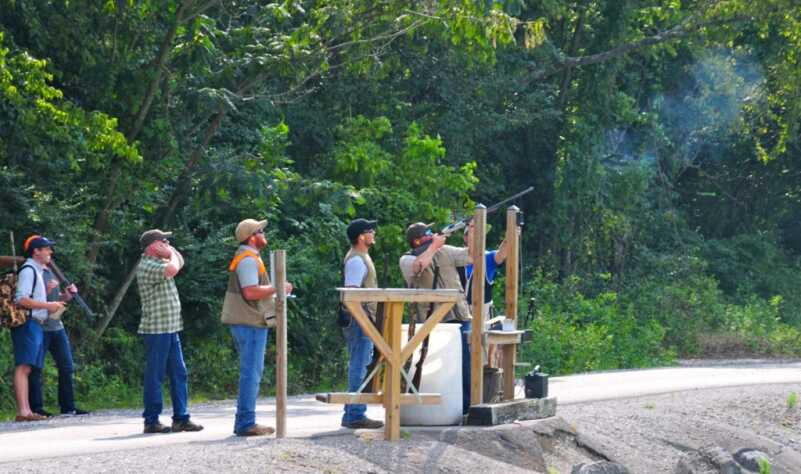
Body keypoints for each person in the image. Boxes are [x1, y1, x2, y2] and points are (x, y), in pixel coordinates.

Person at [221, 218, 292, 436]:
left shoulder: (249, 257)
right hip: (249, 322)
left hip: (248, 322)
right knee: (251, 373)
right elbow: (250, 291)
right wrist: (277, 287)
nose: (264, 233)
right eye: (261, 231)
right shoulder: (248, 260)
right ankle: (245, 423)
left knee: (251, 372)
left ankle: (245, 420)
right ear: (252, 237)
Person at [399, 223, 473, 413]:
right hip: (433, 321)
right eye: (428, 233)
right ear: (417, 241)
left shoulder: (445, 251)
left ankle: (466, 406)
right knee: (435, 368)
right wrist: (433, 246)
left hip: (459, 315)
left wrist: (473, 231)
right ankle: (438, 409)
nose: (433, 235)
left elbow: (472, 255)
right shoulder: (407, 259)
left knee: (465, 363)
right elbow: (418, 267)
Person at [135, 229, 203, 434]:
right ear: (152, 246)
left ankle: (181, 418)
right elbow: (174, 267)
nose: (168, 244)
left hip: (170, 327)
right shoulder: (147, 265)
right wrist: (171, 253)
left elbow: (178, 262)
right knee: (155, 375)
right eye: (163, 241)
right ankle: (151, 420)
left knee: (179, 373)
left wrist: (170, 251)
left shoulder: (161, 261)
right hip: (157, 329)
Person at [28, 261, 90, 417]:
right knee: (35, 368)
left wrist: (67, 296)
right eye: (47, 249)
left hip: (57, 326)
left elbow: (57, 299)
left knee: (67, 366)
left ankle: (68, 407)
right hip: (39, 326)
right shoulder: (32, 272)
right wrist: (46, 291)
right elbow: (26, 299)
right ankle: (36, 408)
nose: (50, 254)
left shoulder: (52, 272)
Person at [340, 218, 384, 430]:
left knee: (361, 364)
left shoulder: (361, 257)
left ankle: (353, 412)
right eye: (369, 230)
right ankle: (355, 414)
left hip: (362, 319)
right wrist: (366, 323)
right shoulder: (357, 260)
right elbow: (352, 295)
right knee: (359, 366)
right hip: (360, 320)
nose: (373, 233)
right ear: (360, 237)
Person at [12, 235, 62, 422]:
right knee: (23, 365)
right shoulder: (29, 270)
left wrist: (48, 299)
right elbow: (21, 299)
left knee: (27, 367)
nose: (50, 252)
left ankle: (26, 410)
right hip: (28, 323)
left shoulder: (37, 271)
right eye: (46, 248)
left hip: (34, 323)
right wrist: (49, 306)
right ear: (36, 251)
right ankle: (23, 411)